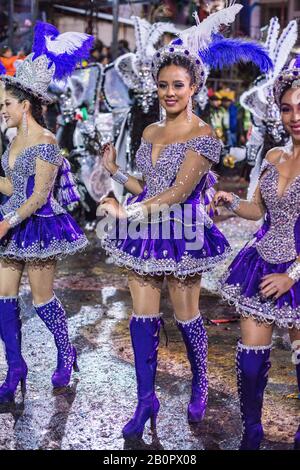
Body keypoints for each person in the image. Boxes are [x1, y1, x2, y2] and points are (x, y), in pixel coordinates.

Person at [98, 4, 272, 441]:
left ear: (194, 86)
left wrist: (128, 213)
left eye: (177, 85)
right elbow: (145, 184)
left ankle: (200, 381)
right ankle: (145, 401)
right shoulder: (149, 133)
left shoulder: (204, 135)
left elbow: (177, 192)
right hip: (144, 230)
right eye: (162, 86)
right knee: (142, 317)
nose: (169, 93)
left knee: (186, 314)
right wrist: (115, 171)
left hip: (182, 233)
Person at [0, 21, 93, 403]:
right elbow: (10, 186)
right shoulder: (11, 139)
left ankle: (66, 352)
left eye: (5, 104)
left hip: (37, 226)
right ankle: (15, 366)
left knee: (41, 300)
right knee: (3, 298)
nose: (1, 110)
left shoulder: (47, 141)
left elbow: (38, 196)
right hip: (9, 222)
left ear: (25, 104)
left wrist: (6, 221)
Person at [214, 56, 300, 450]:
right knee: (250, 363)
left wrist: (291, 277)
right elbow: (258, 210)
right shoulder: (271, 158)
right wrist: (230, 202)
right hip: (261, 263)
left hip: (295, 273)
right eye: (287, 108)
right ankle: (251, 431)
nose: (294, 116)